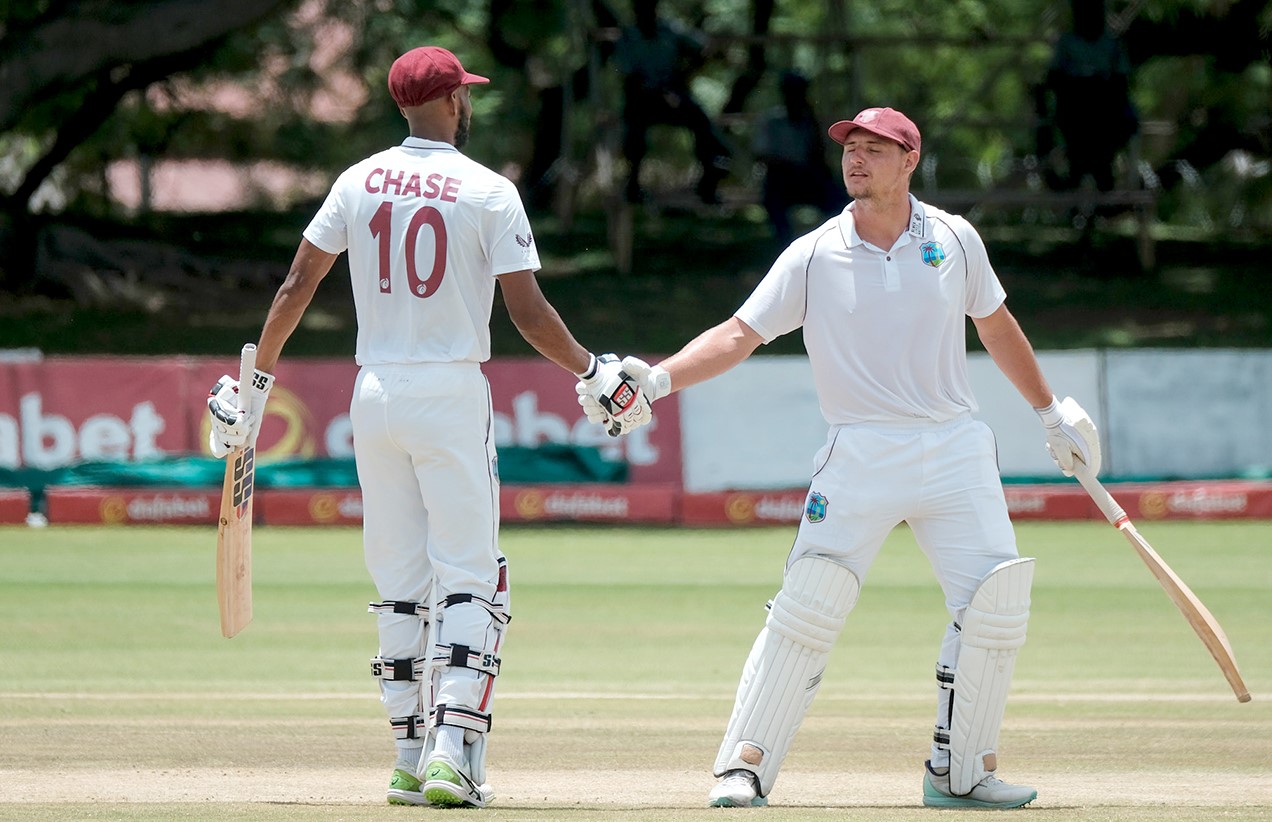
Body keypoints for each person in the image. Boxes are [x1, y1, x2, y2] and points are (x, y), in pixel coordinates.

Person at [583, 107, 1101, 809]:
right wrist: (659, 378)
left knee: (996, 605)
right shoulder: (814, 252)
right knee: (810, 601)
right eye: (850, 150)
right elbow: (740, 333)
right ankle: (744, 765)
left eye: (873, 150)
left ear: (909, 159)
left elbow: (996, 322)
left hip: (955, 448)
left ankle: (963, 774)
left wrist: (1048, 412)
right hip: (860, 451)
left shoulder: (954, 238)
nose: (856, 161)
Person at [205, 45, 649, 809]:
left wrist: (254, 387)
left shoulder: (357, 180)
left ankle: (408, 757)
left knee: (400, 582)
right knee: (473, 576)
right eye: (465, 95)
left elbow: (296, 283)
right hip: (448, 391)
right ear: (453, 102)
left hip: (371, 394)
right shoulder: (487, 189)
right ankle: (451, 754)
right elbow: (528, 312)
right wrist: (591, 371)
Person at [611, 0, 731, 204]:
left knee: (700, 120)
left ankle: (709, 178)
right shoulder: (629, 37)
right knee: (634, 129)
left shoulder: (671, 30)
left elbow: (705, 47)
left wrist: (686, 72)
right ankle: (633, 184)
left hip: (674, 96)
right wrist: (660, 93)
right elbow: (629, 75)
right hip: (643, 100)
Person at [1036, 0, 1137, 192]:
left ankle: (1103, 186)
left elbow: (1122, 80)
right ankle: (1076, 185)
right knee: (1078, 147)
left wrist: (1099, 81)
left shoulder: (1111, 44)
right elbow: (1053, 77)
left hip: (1106, 113)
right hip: (1075, 111)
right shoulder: (1067, 43)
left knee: (1103, 152)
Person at [751, 71, 847, 245]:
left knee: (838, 197)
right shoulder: (772, 121)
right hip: (781, 180)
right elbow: (761, 154)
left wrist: (812, 120)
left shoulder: (808, 122)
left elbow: (820, 155)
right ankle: (785, 243)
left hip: (806, 179)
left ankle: (838, 239)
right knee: (774, 197)